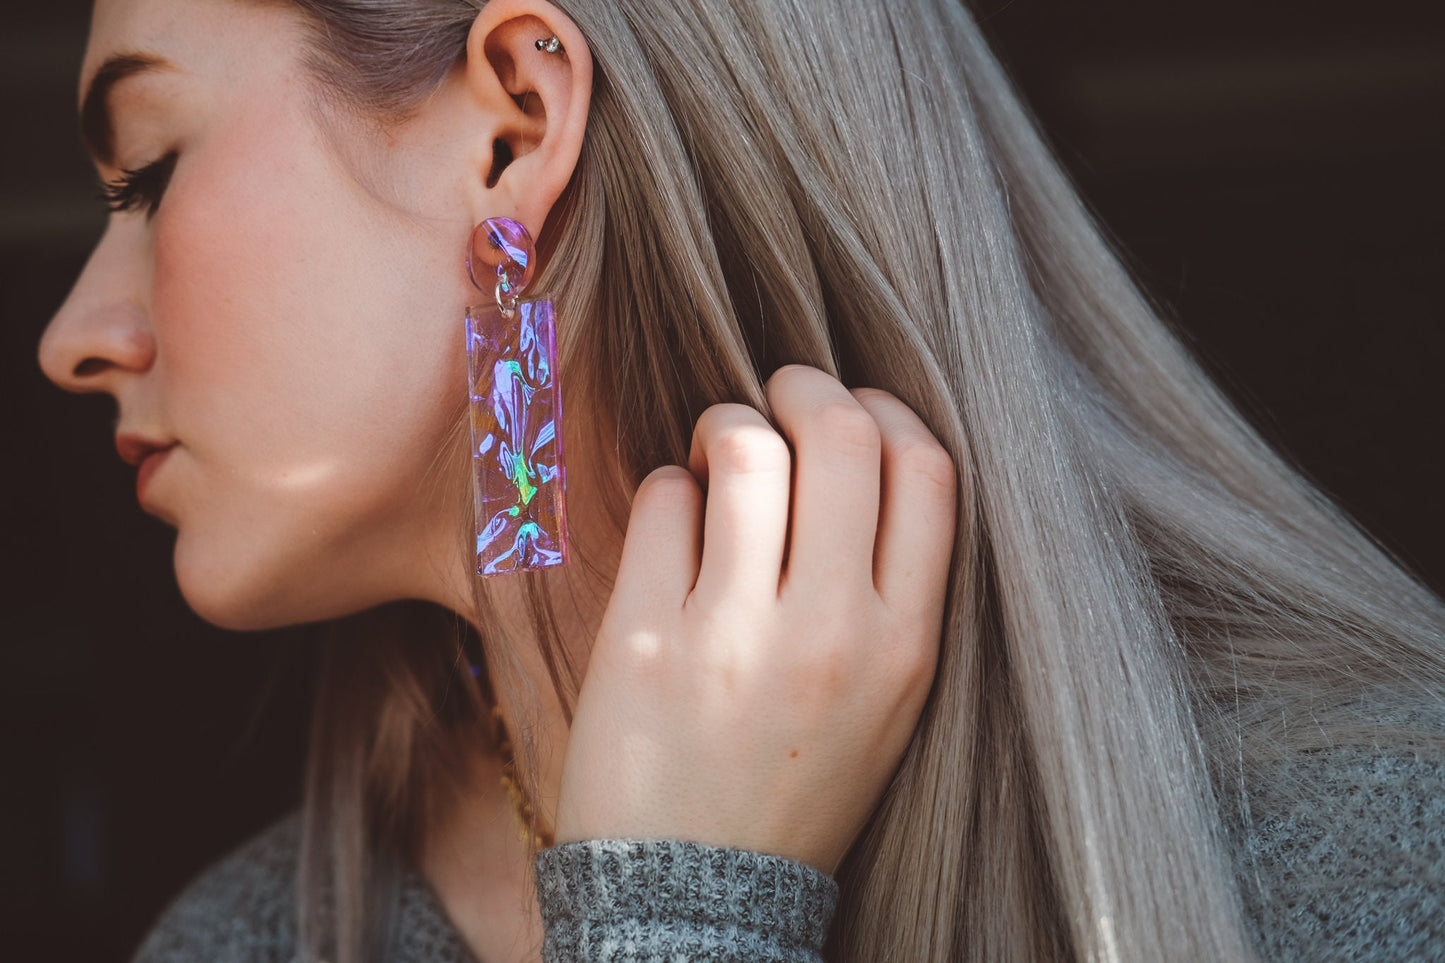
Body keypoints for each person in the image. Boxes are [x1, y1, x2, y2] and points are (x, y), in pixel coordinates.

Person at [36, 0, 1445, 960]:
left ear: (514, 127)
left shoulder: (1373, 841)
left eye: (149, 171)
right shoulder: (254, 941)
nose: (69, 341)